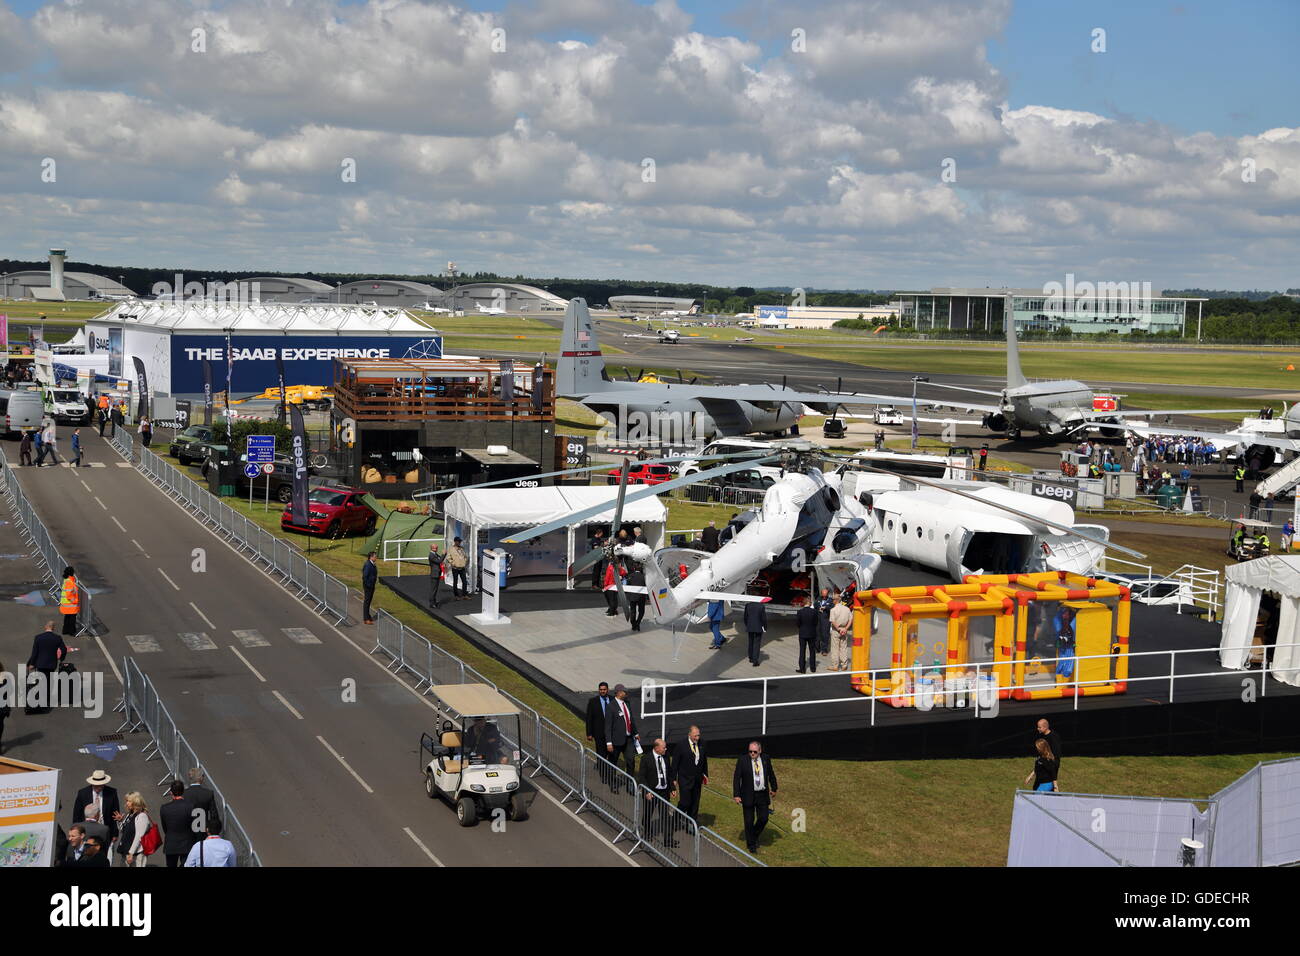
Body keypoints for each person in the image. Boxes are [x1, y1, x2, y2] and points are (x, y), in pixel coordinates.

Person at [733, 740, 778, 854]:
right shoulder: (742, 760)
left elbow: (771, 774)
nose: (752, 754)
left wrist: (774, 788)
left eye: (754, 752)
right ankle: (751, 844)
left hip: (762, 794)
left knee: (764, 818)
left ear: (760, 751)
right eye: (750, 751)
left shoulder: (765, 759)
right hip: (748, 795)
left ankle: (753, 835)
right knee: (749, 821)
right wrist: (736, 794)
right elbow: (737, 778)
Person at [639, 738, 678, 848]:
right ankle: (647, 833)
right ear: (656, 748)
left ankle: (668, 840)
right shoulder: (646, 759)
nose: (665, 749)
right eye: (663, 747)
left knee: (665, 816)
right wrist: (647, 791)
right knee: (647, 814)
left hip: (664, 792)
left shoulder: (666, 757)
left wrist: (672, 788)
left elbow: (669, 773)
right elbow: (642, 777)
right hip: (651, 792)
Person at [73, 770, 119, 856]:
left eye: (101, 785)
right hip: (87, 832)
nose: (99, 788)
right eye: (96, 785)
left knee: (104, 856)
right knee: (86, 855)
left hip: (105, 831)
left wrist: (114, 833)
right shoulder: (83, 793)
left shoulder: (112, 793)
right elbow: (77, 815)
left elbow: (115, 814)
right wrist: (76, 832)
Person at [26, 620, 67, 713]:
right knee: (49, 683)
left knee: (41, 683)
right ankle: (47, 700)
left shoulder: (38, 638)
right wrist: (61, 658)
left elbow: (35, 652)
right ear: (53, 628)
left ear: (45, 627)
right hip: (51, 664)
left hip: (40, 664)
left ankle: (41, 702)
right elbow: (63, 649)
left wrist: (31, 663)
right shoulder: (57, 638)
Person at [603, 683, 640, 785]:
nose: (626, 693)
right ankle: (612, 783)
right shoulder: (611, 706)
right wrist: (609, 743)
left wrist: (635, 733)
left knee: (630, 761)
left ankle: (630, 784)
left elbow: (631, 719)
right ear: (619, 693)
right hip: (616, 740)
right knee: (613, 762)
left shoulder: (626, 703)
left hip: (628, 739)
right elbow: (608, 726)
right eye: (624, 691)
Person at [672, 725, 708, 823]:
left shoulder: (702, 743)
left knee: (695, 803)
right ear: (689, 734)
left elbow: (704, 760)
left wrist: (705, 774)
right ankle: (676, 818)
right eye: (695, 736)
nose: (697, 738)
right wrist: (673, 778)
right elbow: (675, 763)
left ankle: (692, 824)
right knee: (685, 802)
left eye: (698, 736)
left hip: (697, 779)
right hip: (684, 779)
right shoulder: (681, 745)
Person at [159, 780, 198, 868]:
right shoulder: (191, 806)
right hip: (187, 843)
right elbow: (195, 826)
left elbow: (165, 827)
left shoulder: (164, 808)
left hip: (171, 844)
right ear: (183, 791)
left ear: (171, 792)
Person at [586, 682, 614, 785]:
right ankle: (604, 776)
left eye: (604, 689)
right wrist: (589, 733)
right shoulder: (593, 702)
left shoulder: (612, 700)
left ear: (608, 690)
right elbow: (589, 718)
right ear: (599, 690)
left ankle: (611, 775)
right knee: (601, 755)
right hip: (599, 734)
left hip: (611, 734)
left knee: (611, 755)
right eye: (601, 689)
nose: (602, 691)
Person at [117, 791, 153, 867]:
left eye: (129, 801)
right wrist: (120, 821)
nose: (127, 803)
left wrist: (131, 853)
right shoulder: (130, 814)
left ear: (135, 802)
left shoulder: (142, 816)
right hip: (126, 851)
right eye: (126, 801)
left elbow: (138, 836)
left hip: (136, 854)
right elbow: (123, 831)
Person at [185, 768, 221, 834]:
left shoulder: (184, 794)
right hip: (203, 830)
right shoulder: (208, 793)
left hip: (188, 831)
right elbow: (214, 815)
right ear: (201, 778)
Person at [828, 595, 853, 671]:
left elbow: (833, 621)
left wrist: (839, 629)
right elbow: (851, 620)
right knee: (843, 648)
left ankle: (835, 666)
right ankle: (844, 665)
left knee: (835, 648)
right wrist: (845, 628)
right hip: (844, 630)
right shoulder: (847, 609)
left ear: (835, 600)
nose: (832, 601)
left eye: (833, 599)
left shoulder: (833, 610)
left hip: (836, 630)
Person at [795, 601, 819, 673]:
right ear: (810, 604)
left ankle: (802, 668)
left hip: (803, 633)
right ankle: (813, 668)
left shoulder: (800, 612)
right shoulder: (814, 611)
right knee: (812, 651)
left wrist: (801, 628)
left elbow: (798, 623)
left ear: (803, 604)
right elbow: (816, 622)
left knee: (802, 651)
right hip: (812, 633)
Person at [743, 597, 767, 667]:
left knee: (751, 642)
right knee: (757, 644)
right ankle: (755, 660)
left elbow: (745, 617)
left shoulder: (748, 605)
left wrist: (747, 625)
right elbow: (763, 618)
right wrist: (765, 627)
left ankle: (750, 657)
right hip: (758, 627)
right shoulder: (761, 606)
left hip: (750, 626)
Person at [626, 562, 648, 632]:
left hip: (632, 596)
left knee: (633, 611)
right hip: (641, 597)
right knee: (641, 611)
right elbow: (646, 587)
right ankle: (638, 623)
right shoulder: (644, 576)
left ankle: (633, 624)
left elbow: (627, 586)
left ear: (634, 568)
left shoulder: (630, 576)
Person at [59, 566, 79, 637]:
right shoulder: (70, 582)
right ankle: (71, 632)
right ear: (72, 573)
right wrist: (75, 601)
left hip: (66, 605)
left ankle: (65, 630)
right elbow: (69, 595)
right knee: (72, 619)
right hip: (71, 605)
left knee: (67, 618)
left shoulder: (66, 580)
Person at [361, 551, 378, 624]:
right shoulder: (368, 564)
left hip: (371, 585)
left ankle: (368, 616)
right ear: (371, 557)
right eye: (375, 556)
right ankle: (366, 618)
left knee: (369, 602)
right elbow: (365, 576)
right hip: (368, 586)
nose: (376, 557)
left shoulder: (372, 564)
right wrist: (368, 585)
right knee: (367, 602)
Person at [816, 588, 834, 655]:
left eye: (825, 595)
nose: (824, 596)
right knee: (817, 634)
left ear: (827, 594)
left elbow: (833, 607)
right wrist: (818, 608)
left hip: (826, 620)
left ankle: (824, 650)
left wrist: (826, 608)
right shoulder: (818, 599)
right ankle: (817, 648)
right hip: (818, 619)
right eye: (823, 594)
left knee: (825, 635)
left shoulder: (830, 600)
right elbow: (815, 605)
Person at [427, 542, 444, 609]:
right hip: (434, 574)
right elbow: (439, 561)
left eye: (437, 547)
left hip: (436, 573)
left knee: (435, 589)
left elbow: (440, 559)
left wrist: (443, 555)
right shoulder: (431, 555)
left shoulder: (435, 554)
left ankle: (433, 601)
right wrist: (443, 554)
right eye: (435, 547)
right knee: (433, 589)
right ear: (432, 548)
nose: (436, 548)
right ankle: (431, 603)